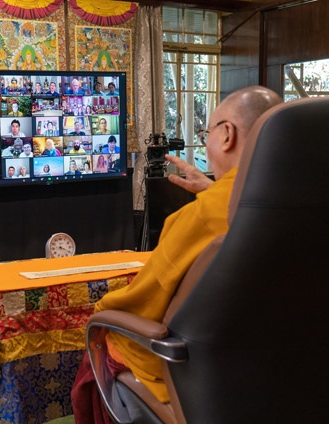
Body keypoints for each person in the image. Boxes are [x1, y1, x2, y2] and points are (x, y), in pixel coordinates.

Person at [71, 86, 282, 423]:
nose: (208, 140)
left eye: (208, 131)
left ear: (227, 134)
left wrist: (102, 311)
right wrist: (216, 190)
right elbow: (248, 216)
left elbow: (143, 302)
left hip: (204, 373)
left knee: (104, 335)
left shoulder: (198, 217)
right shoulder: (308, 207)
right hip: (286, 364)